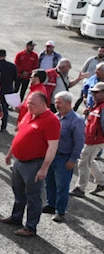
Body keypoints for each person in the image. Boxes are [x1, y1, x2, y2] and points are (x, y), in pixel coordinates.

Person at [0, 92, 60, 237]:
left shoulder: (51, 121)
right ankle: (16, 217)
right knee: (18, 191)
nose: (28, 106)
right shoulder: (29, 114)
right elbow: (19, 135)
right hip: (19, 162)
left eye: (32, 104)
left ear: (44, 105)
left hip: (34, 164)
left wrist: (44, 168)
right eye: (28, 103)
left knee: (33, 196)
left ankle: (31, 227)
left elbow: (52, 147)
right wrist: (9, 153)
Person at [44, 92, 84, 222]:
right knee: (49, 182)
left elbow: (79, 142)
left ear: (68, 103)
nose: (56, 105)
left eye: (59, 102)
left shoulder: (76, 121)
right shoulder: (55, 117)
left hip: (64, 158)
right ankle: (51, 205)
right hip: (51, 155)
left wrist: (73, 159)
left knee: (62, 185)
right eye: (55, 102)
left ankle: (60, 211)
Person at [70, 82, 104, 197]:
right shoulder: (98, 105)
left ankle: (80, 188)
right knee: (89, 160)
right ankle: (101, 182)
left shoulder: (102, 106)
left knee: (83, 163)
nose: (93, 94)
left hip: (95, 140)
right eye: (92, 92)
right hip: (91, 139)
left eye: (96, 92)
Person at [0, 50, 17, 131]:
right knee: (5, 108)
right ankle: (3, 126)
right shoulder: (12, 66)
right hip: (8, 90)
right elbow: (15, 78)